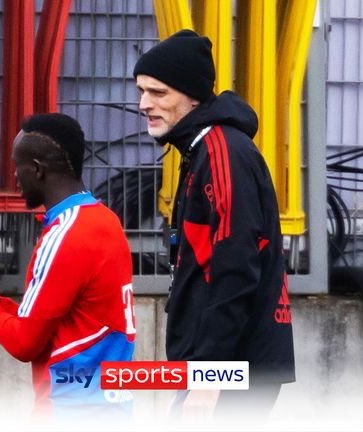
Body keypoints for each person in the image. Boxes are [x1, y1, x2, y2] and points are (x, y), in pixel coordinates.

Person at [133, 29, 295, 419]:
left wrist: (208, 381)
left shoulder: (222, 150)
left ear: (191, 96)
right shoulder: (204, 147)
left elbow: (235, 267)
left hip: (230, 371)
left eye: (158, 93)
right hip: (221, 368)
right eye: (142, 90)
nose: (143, 104)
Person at [0, 113, 136, 419]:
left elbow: (25, 343)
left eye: (16, 166)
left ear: (36, 169)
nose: (13, 176)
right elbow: (46, 323)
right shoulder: (103, 220)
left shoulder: (65, 235)